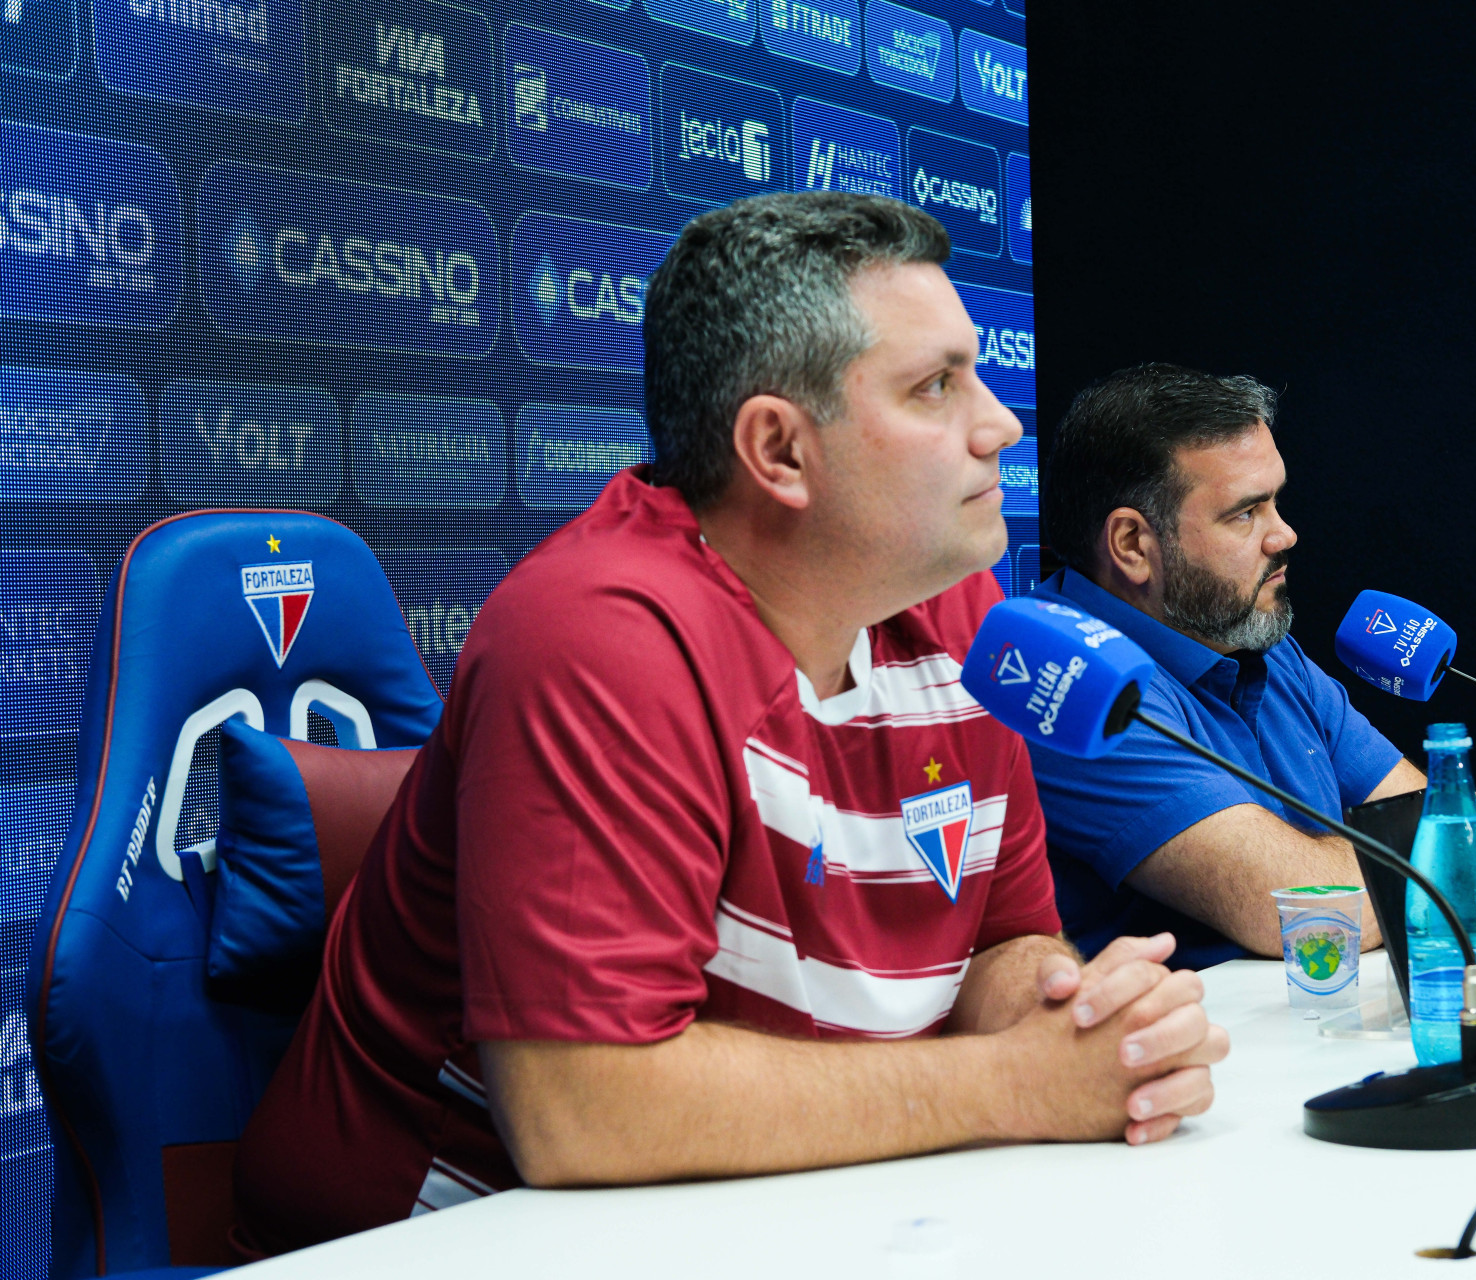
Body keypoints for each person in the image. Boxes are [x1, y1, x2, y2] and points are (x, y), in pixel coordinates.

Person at [232, 197, 1228, 1254]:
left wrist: (1075, 1014)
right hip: (434, 1234)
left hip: (762, 1215)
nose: (998, 423)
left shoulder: (964, 614)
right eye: (935, 386)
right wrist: (1010, 1082)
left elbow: (1003, 938)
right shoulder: (597, 637)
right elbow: (584, 1105)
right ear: (779, 450)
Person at [1029, 364, 1476, 970]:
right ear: (1131, 545)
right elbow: (1309, 913)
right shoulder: (1072, 682)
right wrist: (1425, 854)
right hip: (1190, 1048)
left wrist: (1424, 852)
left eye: (1275, 501)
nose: (1285, 535)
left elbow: (1447, 829)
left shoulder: (1256, 639)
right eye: (1245, 514)